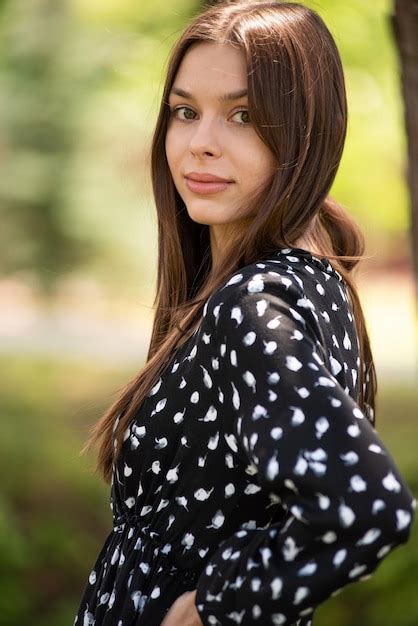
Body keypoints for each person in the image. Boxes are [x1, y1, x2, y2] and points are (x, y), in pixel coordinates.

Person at [73, 1, 416, 625]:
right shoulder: (313, 284)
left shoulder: (252, 306)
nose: (201, 144)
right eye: (185, 112)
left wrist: (213, 607)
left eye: (243, 116)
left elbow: (367, 508)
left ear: (306, 132)